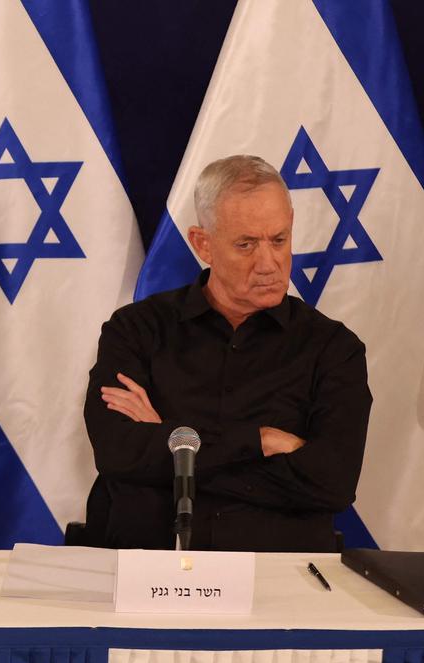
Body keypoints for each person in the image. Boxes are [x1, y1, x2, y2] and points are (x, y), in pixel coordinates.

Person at [82, 155, 371, 552]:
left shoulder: (335, 350)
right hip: (144, 566)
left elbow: (332, 484)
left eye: (279, 240)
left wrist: (174, 441)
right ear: (203, 244)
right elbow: (117, 453)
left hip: (281, 582)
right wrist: (261, 442)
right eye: (246, 244)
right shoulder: (136, 330)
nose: (268, 263)